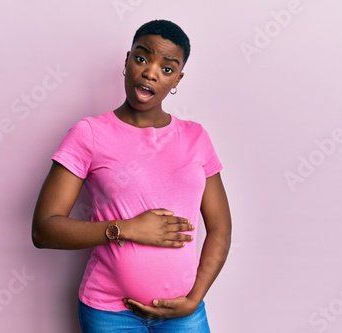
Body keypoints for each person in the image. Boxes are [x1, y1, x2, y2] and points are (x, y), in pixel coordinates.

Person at [32, 19, 232, 332]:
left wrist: (195, 298)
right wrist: (126, 229)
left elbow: (220, 227)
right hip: (110, 313)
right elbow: (44, 230)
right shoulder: (90, 134)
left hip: (183, 312)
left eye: (167, 68)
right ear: (127, 61)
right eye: (142, 58)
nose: (151, 72)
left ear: (177, 79)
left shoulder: (196, 137)